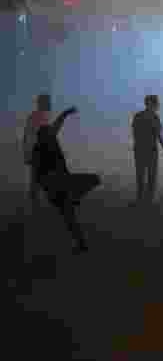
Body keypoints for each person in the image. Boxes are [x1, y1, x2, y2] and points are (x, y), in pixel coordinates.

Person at [31, 106, 101, 253]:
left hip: (65, 183)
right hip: (56, 190)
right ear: (43, 137)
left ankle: (76, 198)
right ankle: (81, 243)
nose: (51, 135)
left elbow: (58, 123)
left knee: (94, 180)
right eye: (48, 134)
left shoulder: (49, 138)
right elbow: (36, 174)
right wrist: (35, 193)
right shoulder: (38, 150)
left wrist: (66, 112)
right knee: (70, 217)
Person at [131, 95, 163, 205]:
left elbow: (134, 133)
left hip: (139, 149)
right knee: (151, 176)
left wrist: (138, 145)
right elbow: (158, 134)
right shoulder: (154, 117)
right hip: (151, 150)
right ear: (153, 104)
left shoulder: (138, 116)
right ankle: (149, 199)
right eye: (157, 103)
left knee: (140, 175)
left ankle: (140, 199)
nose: (158, 105)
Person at [22, 94, 52, 213]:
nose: (50, 104)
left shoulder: (39, 116)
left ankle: (35, 208)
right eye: (48, 102)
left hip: (37, 153)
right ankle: (34, 209)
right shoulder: (38, 117)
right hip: (38, 154)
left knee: (37, 181)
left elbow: (26, 137)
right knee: (37, 182)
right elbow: (29, 136)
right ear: (42, 103)